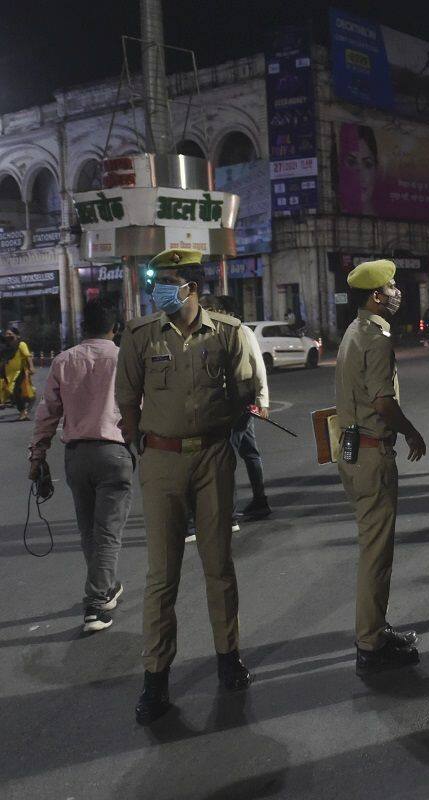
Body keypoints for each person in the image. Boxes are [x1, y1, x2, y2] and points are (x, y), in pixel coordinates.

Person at [115, 248, 258, 725]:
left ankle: (228, 657)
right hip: (160, 461)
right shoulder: (139, 335)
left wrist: (217, 432)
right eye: (156, 280)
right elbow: (127, 399)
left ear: (192, 287)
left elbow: (245, 393)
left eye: (169, 280)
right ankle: (155, 678)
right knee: (162, 576)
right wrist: (147, 445)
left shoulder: (228, 333)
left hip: (214, 456)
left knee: (219, 565)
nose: (159, 288)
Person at [336, 258, 427, 678]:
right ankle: (370, 645)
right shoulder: (376, 339)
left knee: (373, 548)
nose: (396, 292)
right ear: (376, 296)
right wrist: (411, 432)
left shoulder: (354, 332)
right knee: (376, 553)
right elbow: (382, 402)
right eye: (391, 287)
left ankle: (375, 628)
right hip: (373, 453)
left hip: (354, 452)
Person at [28, 298, 132, 633]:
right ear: (114, 328)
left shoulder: (63, 360)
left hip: (76, 457)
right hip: (113, 453)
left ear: (82, 327)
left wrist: (37, 455)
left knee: (90, 530)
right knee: (107, 533)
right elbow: (140, 407)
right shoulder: (123, 358)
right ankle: (96, 605)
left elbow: (47, 412)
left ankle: (107, 586)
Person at [201, 295, 272, 521]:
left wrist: (262, 401)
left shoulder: (242, 331)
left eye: (208, 308)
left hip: (241, 400)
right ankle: (260, 501)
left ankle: (228, 513)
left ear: (219, 310)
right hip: (228, 401)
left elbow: (258, 368)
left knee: (226, 454)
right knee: (249, 450)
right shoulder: (214, 333)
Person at [3, 326, 36, 420]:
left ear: (17, 335)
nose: (8, 336)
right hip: (8, 373)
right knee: (9, 392)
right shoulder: (6, 346)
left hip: (19, 371)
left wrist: (32, 367)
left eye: (10, 334)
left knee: (15, 391)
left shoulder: (21, 344)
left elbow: (28, 356)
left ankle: (23, 412)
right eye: (6, 334)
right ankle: (26, 402)